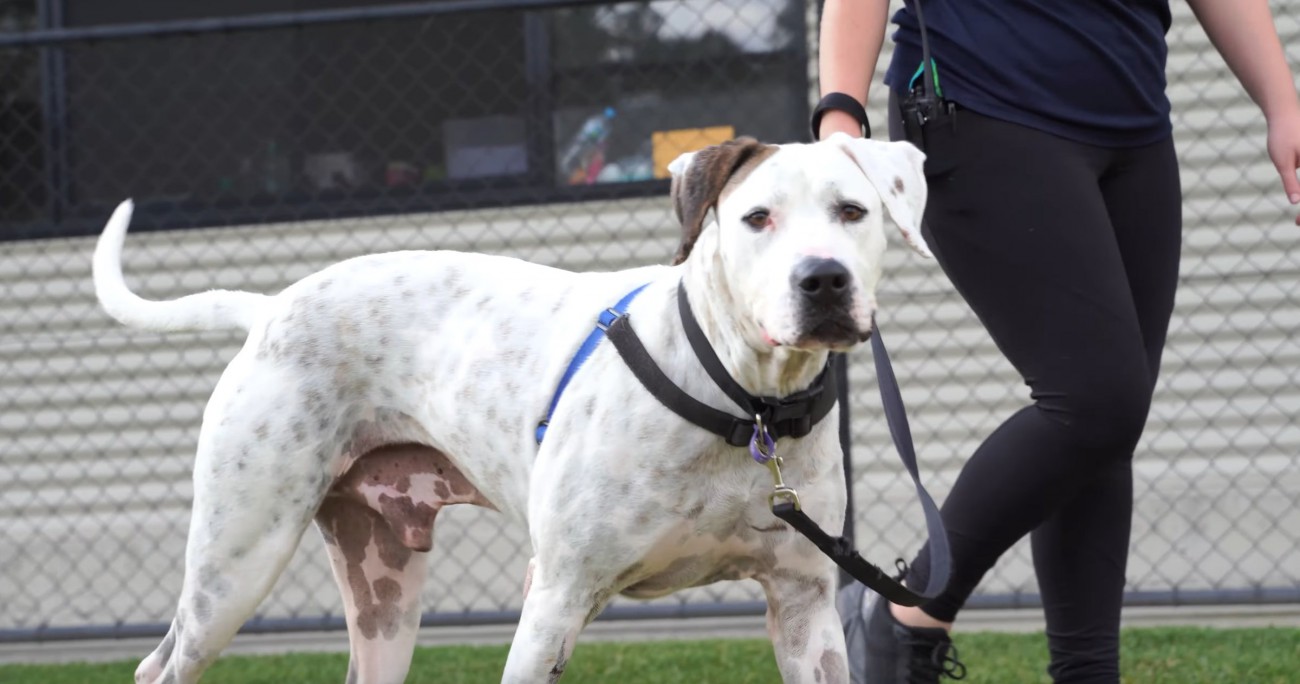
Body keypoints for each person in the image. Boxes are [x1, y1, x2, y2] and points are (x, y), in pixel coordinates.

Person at [814, 0, 1300, 682]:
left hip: (1132, 122)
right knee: (1097, 399)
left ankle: (1083, 672)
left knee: (1105, 424)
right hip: (977, 104)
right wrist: (842, 114)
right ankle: (906, 615)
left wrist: (1283, 102)